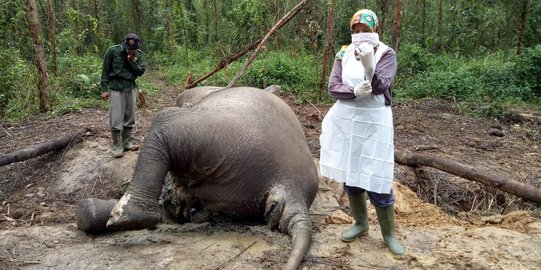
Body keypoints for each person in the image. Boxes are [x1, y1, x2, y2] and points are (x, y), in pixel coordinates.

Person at [319, 9, 405, 255]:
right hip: (347, 120)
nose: (359, 35)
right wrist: (353, 92)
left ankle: (389, 234)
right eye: (355, 31)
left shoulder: (386, 54)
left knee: (377, 175)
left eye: (365, 30)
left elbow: (381, 87)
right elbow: (333, 87)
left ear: (375, 30)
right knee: (352, 174)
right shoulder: (343, 52)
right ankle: (360, 223)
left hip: (374, 122)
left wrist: (370, 67)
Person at [100, 33, 146, 158]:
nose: (130, 50)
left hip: (130, 87)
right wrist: (104, 88)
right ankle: (117, 145)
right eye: (128, 48)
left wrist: (131, 61)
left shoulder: (139, 55)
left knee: (130, 116)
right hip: (116, 87)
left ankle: (126, 143)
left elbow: (140, 71)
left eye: (133, 49)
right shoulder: (113, 51)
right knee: (116, 117)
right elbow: (105, 70)